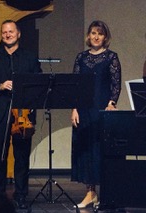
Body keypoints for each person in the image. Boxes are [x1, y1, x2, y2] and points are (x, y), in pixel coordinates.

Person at [0, 20, 42, 209]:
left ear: (18, 34)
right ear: (1, 35)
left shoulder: (29, 57)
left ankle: (21, 195)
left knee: (21, 157)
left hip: (23, 113)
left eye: (11, 31)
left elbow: (39, 82)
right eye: (4, 32)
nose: (7, 35)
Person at [70, 20, 121, 208]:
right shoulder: (81, 58)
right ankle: (90, 193)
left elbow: (115, 85)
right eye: (93, 33)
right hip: (83, 110)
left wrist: (111, 103)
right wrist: (74, 109)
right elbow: (75, 85)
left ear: (105, 37)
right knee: (86, 151)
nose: (96, 37)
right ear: (88, 36)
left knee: (101, 151)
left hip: (101, 110)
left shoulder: (111, 57)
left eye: (100, 33)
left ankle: (105, 195)